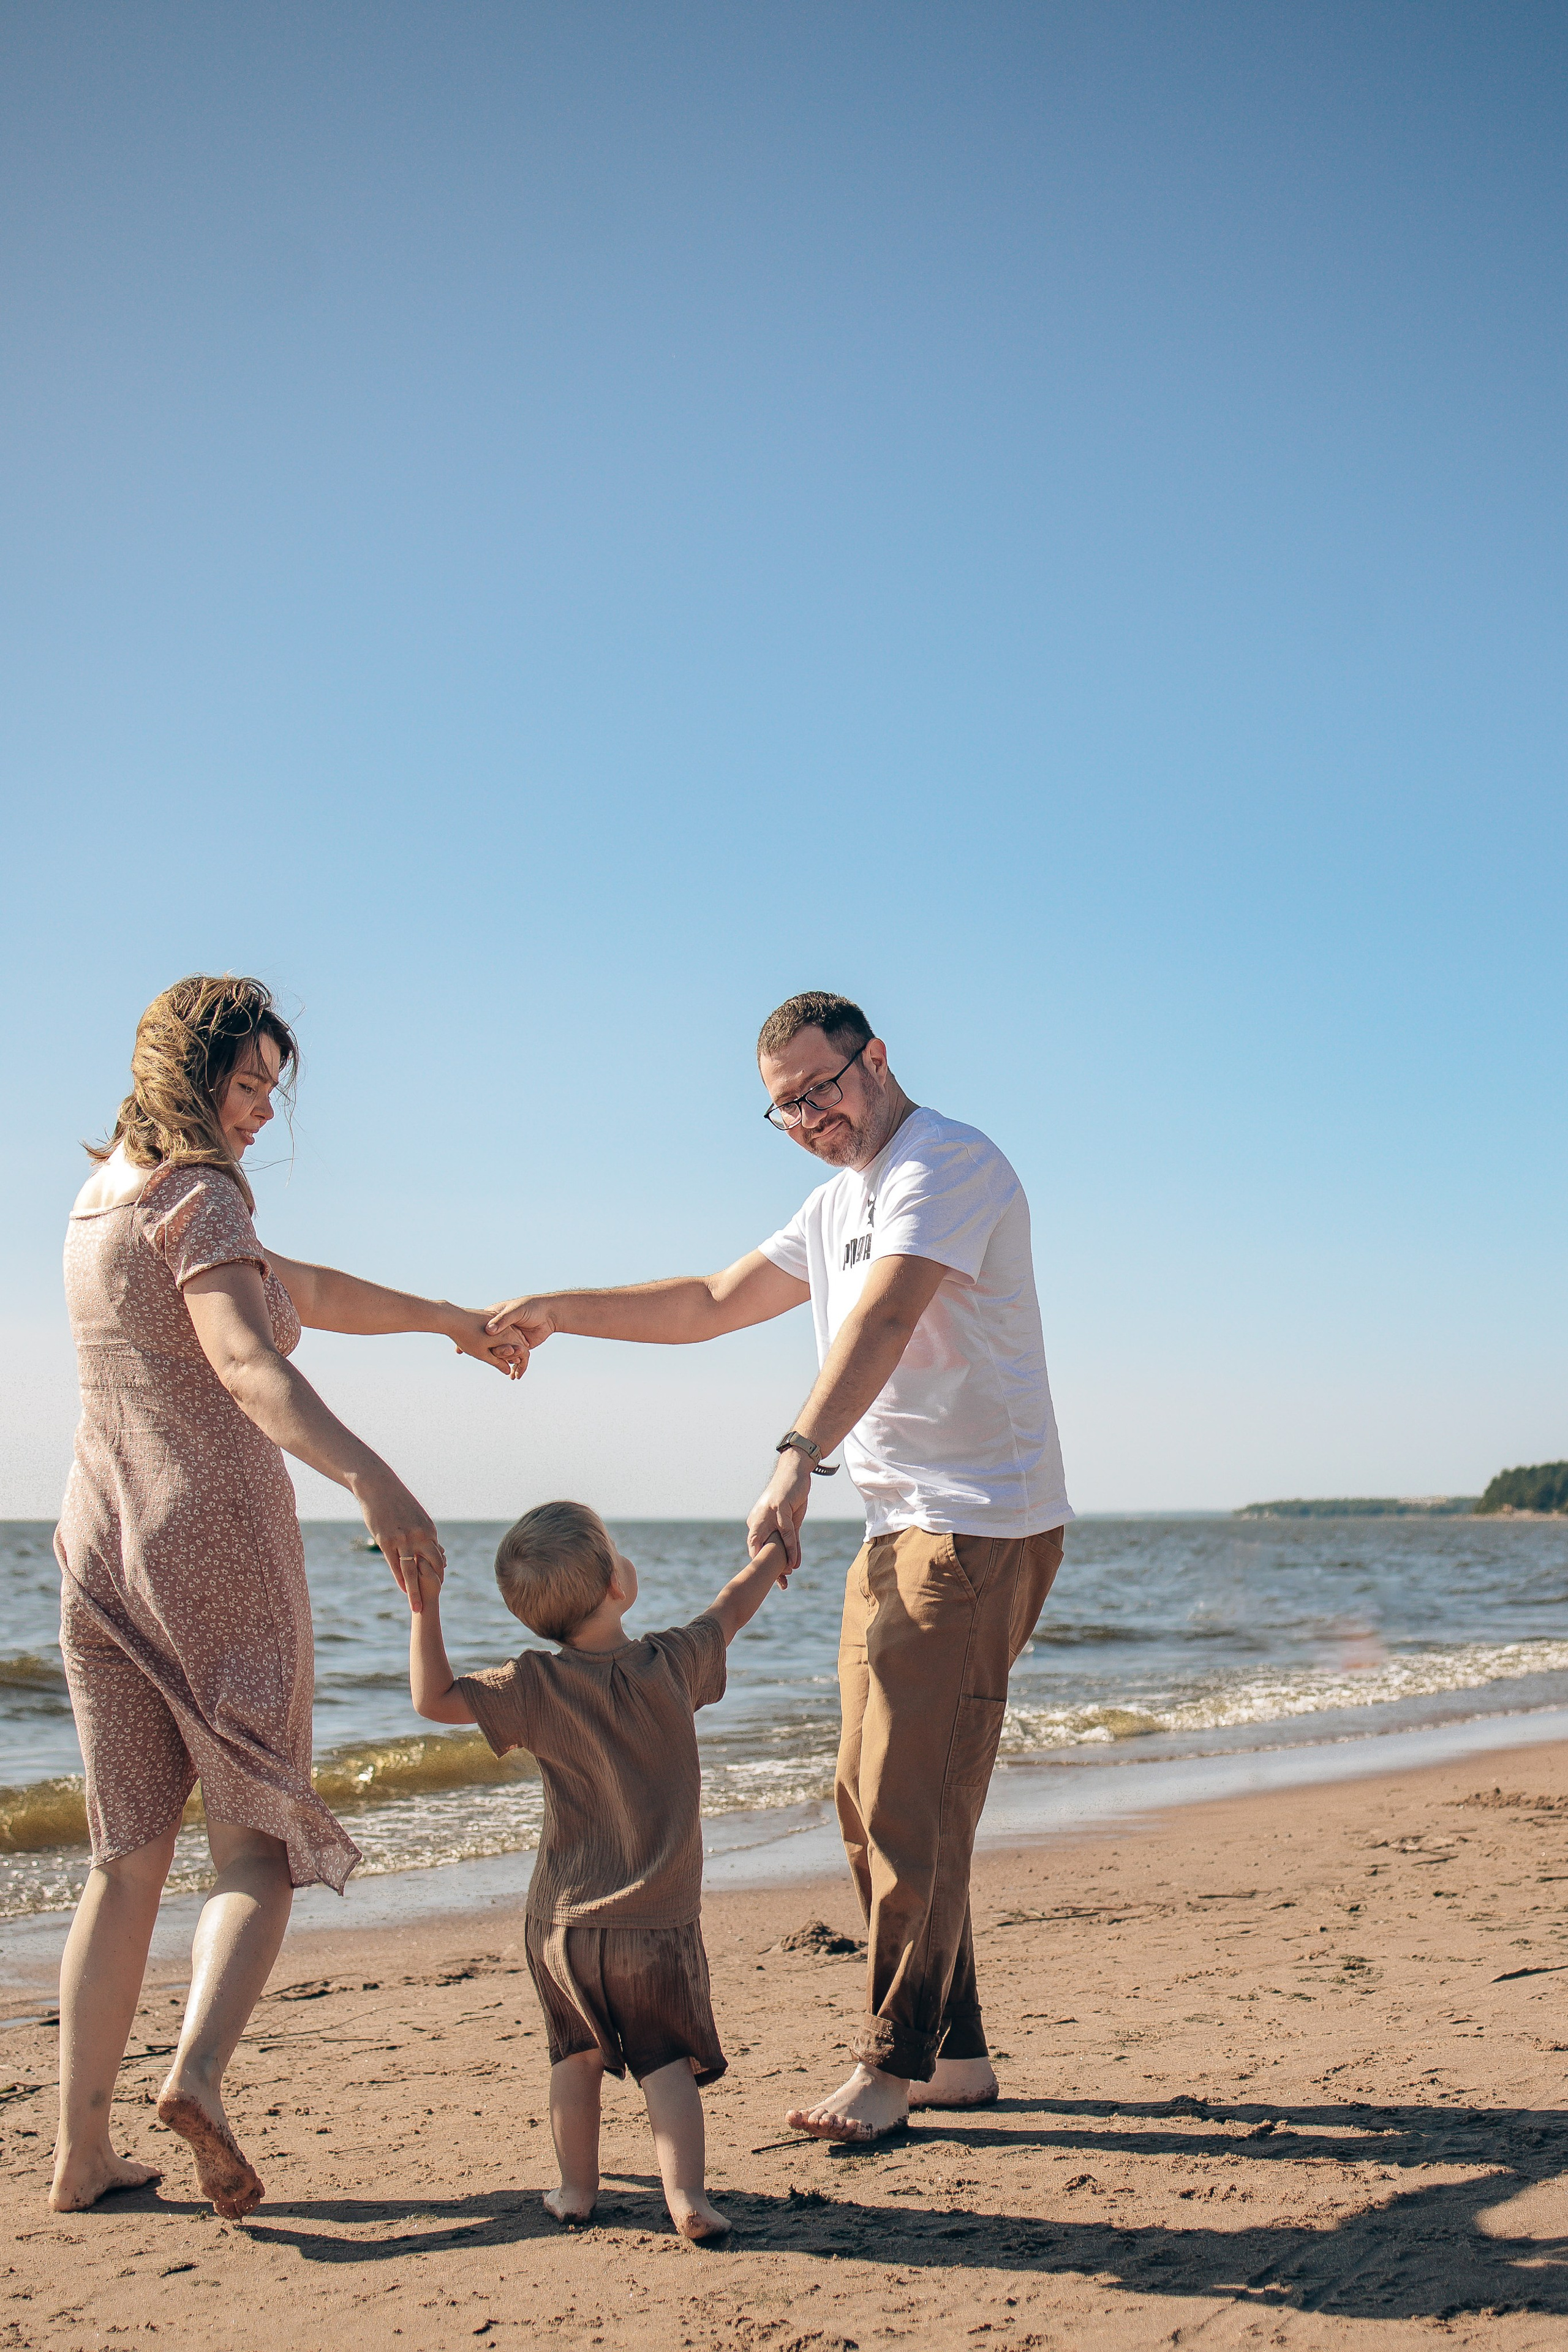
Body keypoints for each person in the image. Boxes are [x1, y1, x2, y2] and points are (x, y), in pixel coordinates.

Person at [484, 990, 1072, 2142]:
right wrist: (558, 1308)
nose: (812, 1115)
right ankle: (955, 2056)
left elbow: (887, 1319)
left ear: (877, 1058)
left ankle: (892, 2069)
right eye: (787, 1107)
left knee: (911, 1802)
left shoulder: (944, 1163)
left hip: (978, 1523)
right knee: (863, 1796)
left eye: (825, 1087)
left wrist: (801, 1455)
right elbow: (709, 1302)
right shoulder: (833, 1201)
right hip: (898, 1525)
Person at [51, 973, 519, 2219]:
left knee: (124, 1858)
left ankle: (78, 2153)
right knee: (254, 1844)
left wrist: (447, 1323)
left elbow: (298, 1289)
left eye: (270, 1087)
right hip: (217, 1553)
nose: (263, 1109)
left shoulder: (100, 1204)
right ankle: (196, 2074)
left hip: (98, 1550)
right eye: (247, 1083)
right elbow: (250, 1357)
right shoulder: (198, 1196)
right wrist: (377, 1482)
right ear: (187, 1072)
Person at [408, 1501, 789, 2240]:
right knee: (664, 2066)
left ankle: (575, 2191)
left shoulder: (531, 1685)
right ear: (618, 1585)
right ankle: (688, 2202)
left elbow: (433, 1699)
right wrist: (774, 1554)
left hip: (563, 1928)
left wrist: (425, 1606)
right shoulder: (673, 1662)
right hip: (657, 1924)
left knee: (573, 2058)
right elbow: (730, 1609)